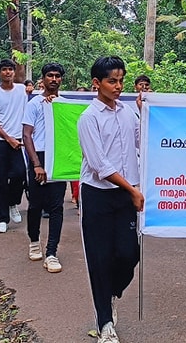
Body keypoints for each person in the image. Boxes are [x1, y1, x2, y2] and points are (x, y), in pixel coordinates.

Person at [77, 56, 143, 343]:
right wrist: (132, 190)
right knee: (100, 259)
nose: (118, 87)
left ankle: (112, 293)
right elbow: (100, 166)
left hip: (127, 195)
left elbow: (145, 141)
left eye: (121, 81)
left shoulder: (128, 113)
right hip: (98, 196)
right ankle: (105, 323)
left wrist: (150, 111)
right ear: (97, 83)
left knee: (130, 254)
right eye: (111, 81)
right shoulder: (88, 118)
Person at [23, 62, 68, 273]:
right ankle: (34, 241)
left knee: (57, 207)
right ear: (43, 79)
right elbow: (26, 135)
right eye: (50, 75)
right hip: (39, 156)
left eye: (57, 76)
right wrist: (36, 164)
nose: (54, 79)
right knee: (35, 206)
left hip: (58, 157)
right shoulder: (34, 104)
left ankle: (51, 252)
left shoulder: (65, 105)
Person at [0, 59, 28, 234]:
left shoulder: (23, 90)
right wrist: (8, 138)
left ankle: (12, 202)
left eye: (10, 69)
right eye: (4, 70)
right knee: (1, 179)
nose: (8, 72)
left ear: (14, 72)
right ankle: (1, 219)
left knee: (19, 174)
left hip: (18, 139)